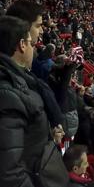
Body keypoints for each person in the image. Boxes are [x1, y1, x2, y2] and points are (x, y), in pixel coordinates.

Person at [0, 16, 67, 187]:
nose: (33, 49)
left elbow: (24, 143)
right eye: (30, 43)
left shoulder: (18, 83)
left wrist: (46, 136)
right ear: (22, 45)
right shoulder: (8, 94)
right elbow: (9, 172)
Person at [6, 0, 65, 133]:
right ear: (25, 28)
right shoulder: (9, 85)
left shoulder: (24, 73)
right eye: (38, 26)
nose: (42, 30)